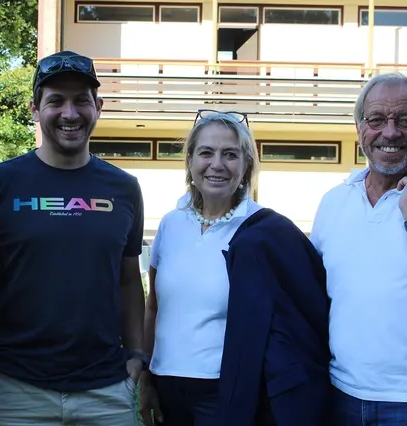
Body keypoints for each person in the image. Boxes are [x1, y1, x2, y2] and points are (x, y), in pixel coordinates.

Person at [0, 50, 146, 426]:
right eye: (56, 100)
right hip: (14, 389)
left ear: (98, 107)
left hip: (105, 392)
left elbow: (128, 279)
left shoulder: (124, 188)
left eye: (81, 101)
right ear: (35, 109)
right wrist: (17, 306)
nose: (70, 113)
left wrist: (137, 353)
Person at [140, 109, 332, 426]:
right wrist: (147, 376)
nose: (217, 164)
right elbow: (154, 307)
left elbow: (303, 314)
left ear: (246, 166)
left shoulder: (266, 232)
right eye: (206, 153)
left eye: (230, 154)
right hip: (166, 386)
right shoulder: (170, 224)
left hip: (226, 392)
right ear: (190, 161)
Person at [310, 72, 407, 425]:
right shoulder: (334, 201)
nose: (390, 133)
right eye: (376, 119)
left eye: (405, 120)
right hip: (342, 394)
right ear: (359, 127)